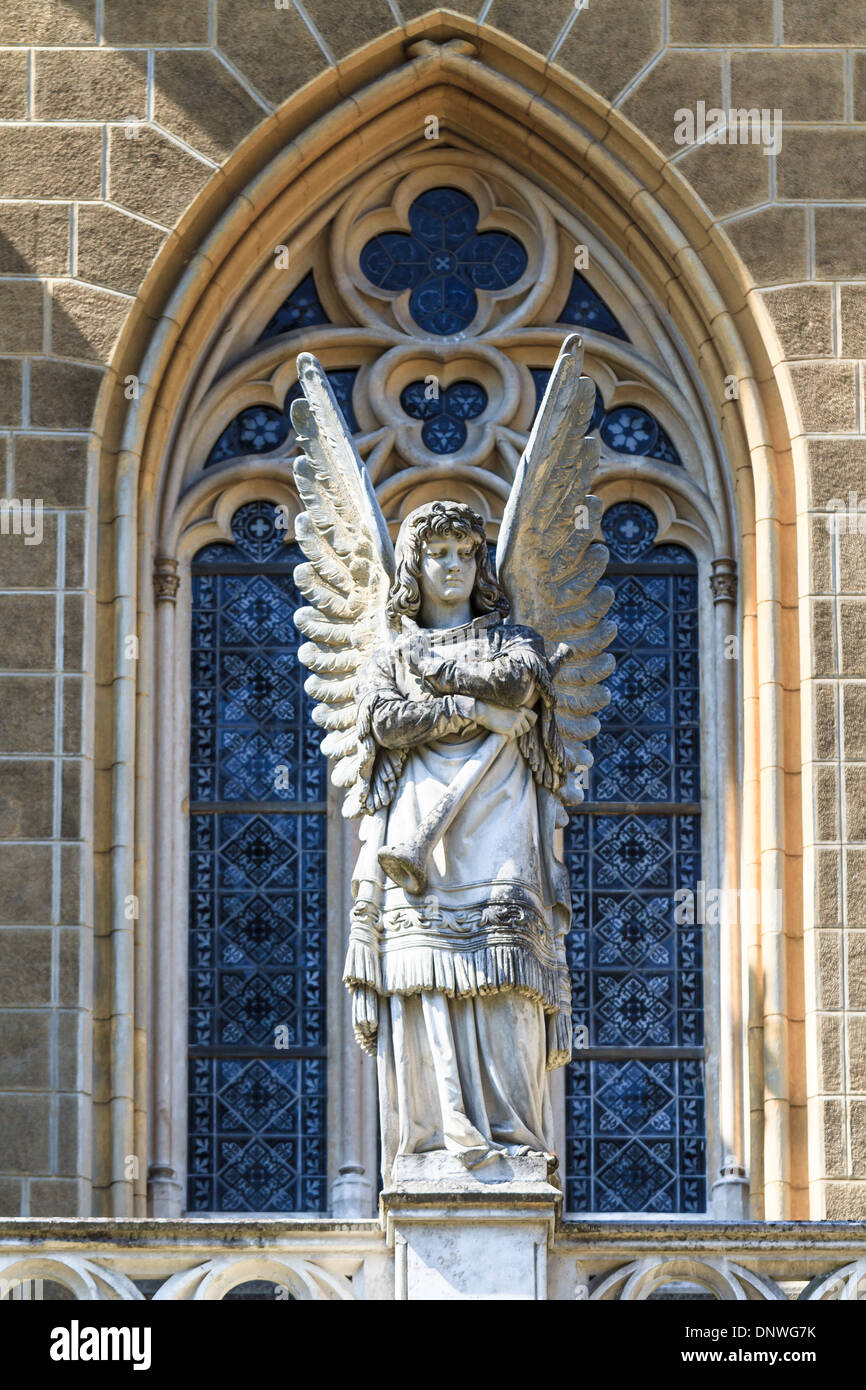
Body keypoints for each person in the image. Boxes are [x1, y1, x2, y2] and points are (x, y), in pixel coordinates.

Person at [342, 500, 572, 1181]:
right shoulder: (389, 657)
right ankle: (440, 1141)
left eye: (465, 553)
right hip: (422, 832)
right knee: (425, 982)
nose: (453, 566)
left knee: (504, 976)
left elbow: (523, 680)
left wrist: (443, 680)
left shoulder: (514, 639)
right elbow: (384, 722)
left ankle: (515, 1141)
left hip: (501, 823)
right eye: (438, 553)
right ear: (414, 565)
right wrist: (467, 710)